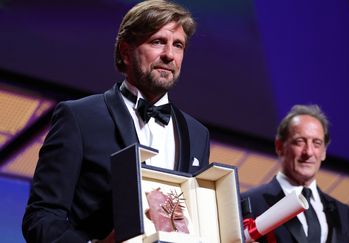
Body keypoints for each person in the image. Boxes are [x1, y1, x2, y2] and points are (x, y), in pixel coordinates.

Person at [22, 0, 210, 242]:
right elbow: (41, 218)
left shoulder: (197, 133)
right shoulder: (79, 117)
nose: (169, 55)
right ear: (125, 51)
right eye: (157, 42)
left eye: (178, 45)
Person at [241, 105, 349, 243]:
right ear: (280, 146)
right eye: (300, 141)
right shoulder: (250, 201)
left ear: (324, 152)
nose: (309, 152)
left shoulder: (343, 213)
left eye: (317, 143)